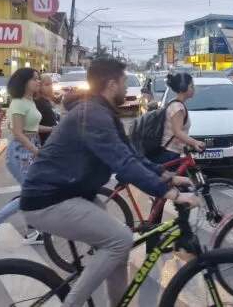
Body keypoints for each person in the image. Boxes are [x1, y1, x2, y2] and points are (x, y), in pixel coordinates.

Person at [20, 58, 199, 307]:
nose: (128, 88)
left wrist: (166, 175)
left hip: (73, 193)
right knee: (120, 240)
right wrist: (173, 195)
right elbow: (122, 163)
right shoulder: (92, 115)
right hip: (48, 199)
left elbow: (131, 155)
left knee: (119, 244)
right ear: (112, 84)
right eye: (125, 82)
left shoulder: (100, 111)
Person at [0, 68, 54, 244]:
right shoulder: (18, 103)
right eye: (35, 79)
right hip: (20, 152)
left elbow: (32, 128)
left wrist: (52, 129)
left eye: (39, 79)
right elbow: (18, 132)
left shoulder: (30, 102)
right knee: (30, 193)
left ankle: (31, 232)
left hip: (30, 148)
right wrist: (35, 151)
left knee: (30, 192)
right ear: (24, 82)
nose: (38, 82)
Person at [157, 72, 205, 165]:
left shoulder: (175, 103)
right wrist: (195, 142)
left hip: (172, 152)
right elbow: (177, 132)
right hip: (169, 154)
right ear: (183, 88)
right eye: (191, 86)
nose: (194, 89)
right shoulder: (178, 107)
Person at [34, 74, 59, 145]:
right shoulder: (38, 103)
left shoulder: (48, 100)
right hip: (45, 142)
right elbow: (33, 126)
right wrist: (52, 129)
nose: (50, 87)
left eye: (51, 84)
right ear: (39, 87)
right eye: (47, 84)